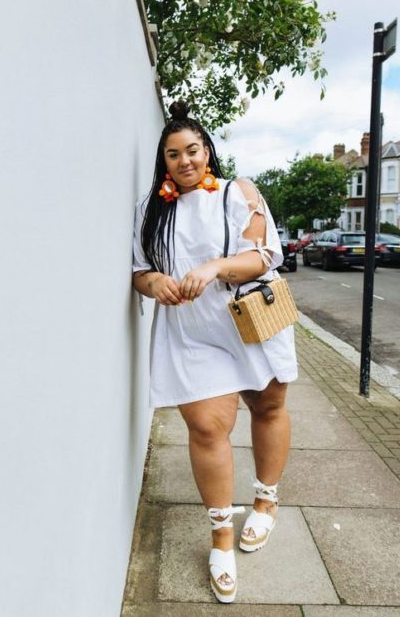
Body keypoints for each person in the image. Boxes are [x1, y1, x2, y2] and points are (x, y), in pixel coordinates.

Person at [132, 101, 298, 603]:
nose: (185, 161)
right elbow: (138, 270)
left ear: (208, 151)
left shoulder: (236, 191)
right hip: (191, 332)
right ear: (164, 162)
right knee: (207, 428)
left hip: (250, 320)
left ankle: (266, 503)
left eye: (193, 150)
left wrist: (213, 268)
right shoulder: (150, 210)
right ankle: (221, 537)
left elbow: (265, 254)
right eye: (173, 154)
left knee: (268, 407)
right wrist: (155, 281)